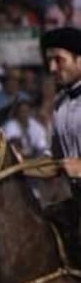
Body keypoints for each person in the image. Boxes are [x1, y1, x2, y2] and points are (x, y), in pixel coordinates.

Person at [40, 27, 81, 260]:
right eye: (49, 61)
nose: (52, 68)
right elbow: (54, 162)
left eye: (59, 60)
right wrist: (16, 164)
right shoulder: (60, 104)